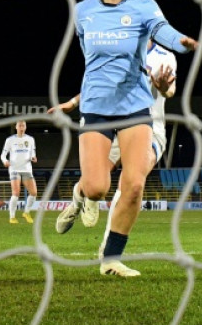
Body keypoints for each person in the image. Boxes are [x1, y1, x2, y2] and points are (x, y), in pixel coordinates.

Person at [61, 0, 197, 277]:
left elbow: (163, 31)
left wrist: (181, 42)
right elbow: (91, 59)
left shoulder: (144, 7)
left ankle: (110, 258)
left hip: (135, 108)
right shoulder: (83, 11)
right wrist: (77, 99)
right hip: (97, 107)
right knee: (97, 187)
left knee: (134, 185)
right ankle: (81, 196)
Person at [52, 39, 178, 247]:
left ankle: (108, 248)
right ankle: (77, 201)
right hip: (118, 125)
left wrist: (165, 89)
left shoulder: (165, 56)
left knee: (131, 183)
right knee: (95, 180)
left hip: (151, 130)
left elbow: (170, 90)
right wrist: (73, 103)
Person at [0, 120, 38, 224]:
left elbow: (33, 153)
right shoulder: (10, 140)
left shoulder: (30, 139)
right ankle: (12, 217)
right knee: (16, 192)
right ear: (16, 127)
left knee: (34, 193)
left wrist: (33, 157)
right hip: (14, 169)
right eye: (19, 125)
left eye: (23, 125)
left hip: (26, 169)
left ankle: (26, 213)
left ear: (25, 127)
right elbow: (3, 155)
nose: (21, 127)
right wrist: (5, 161)